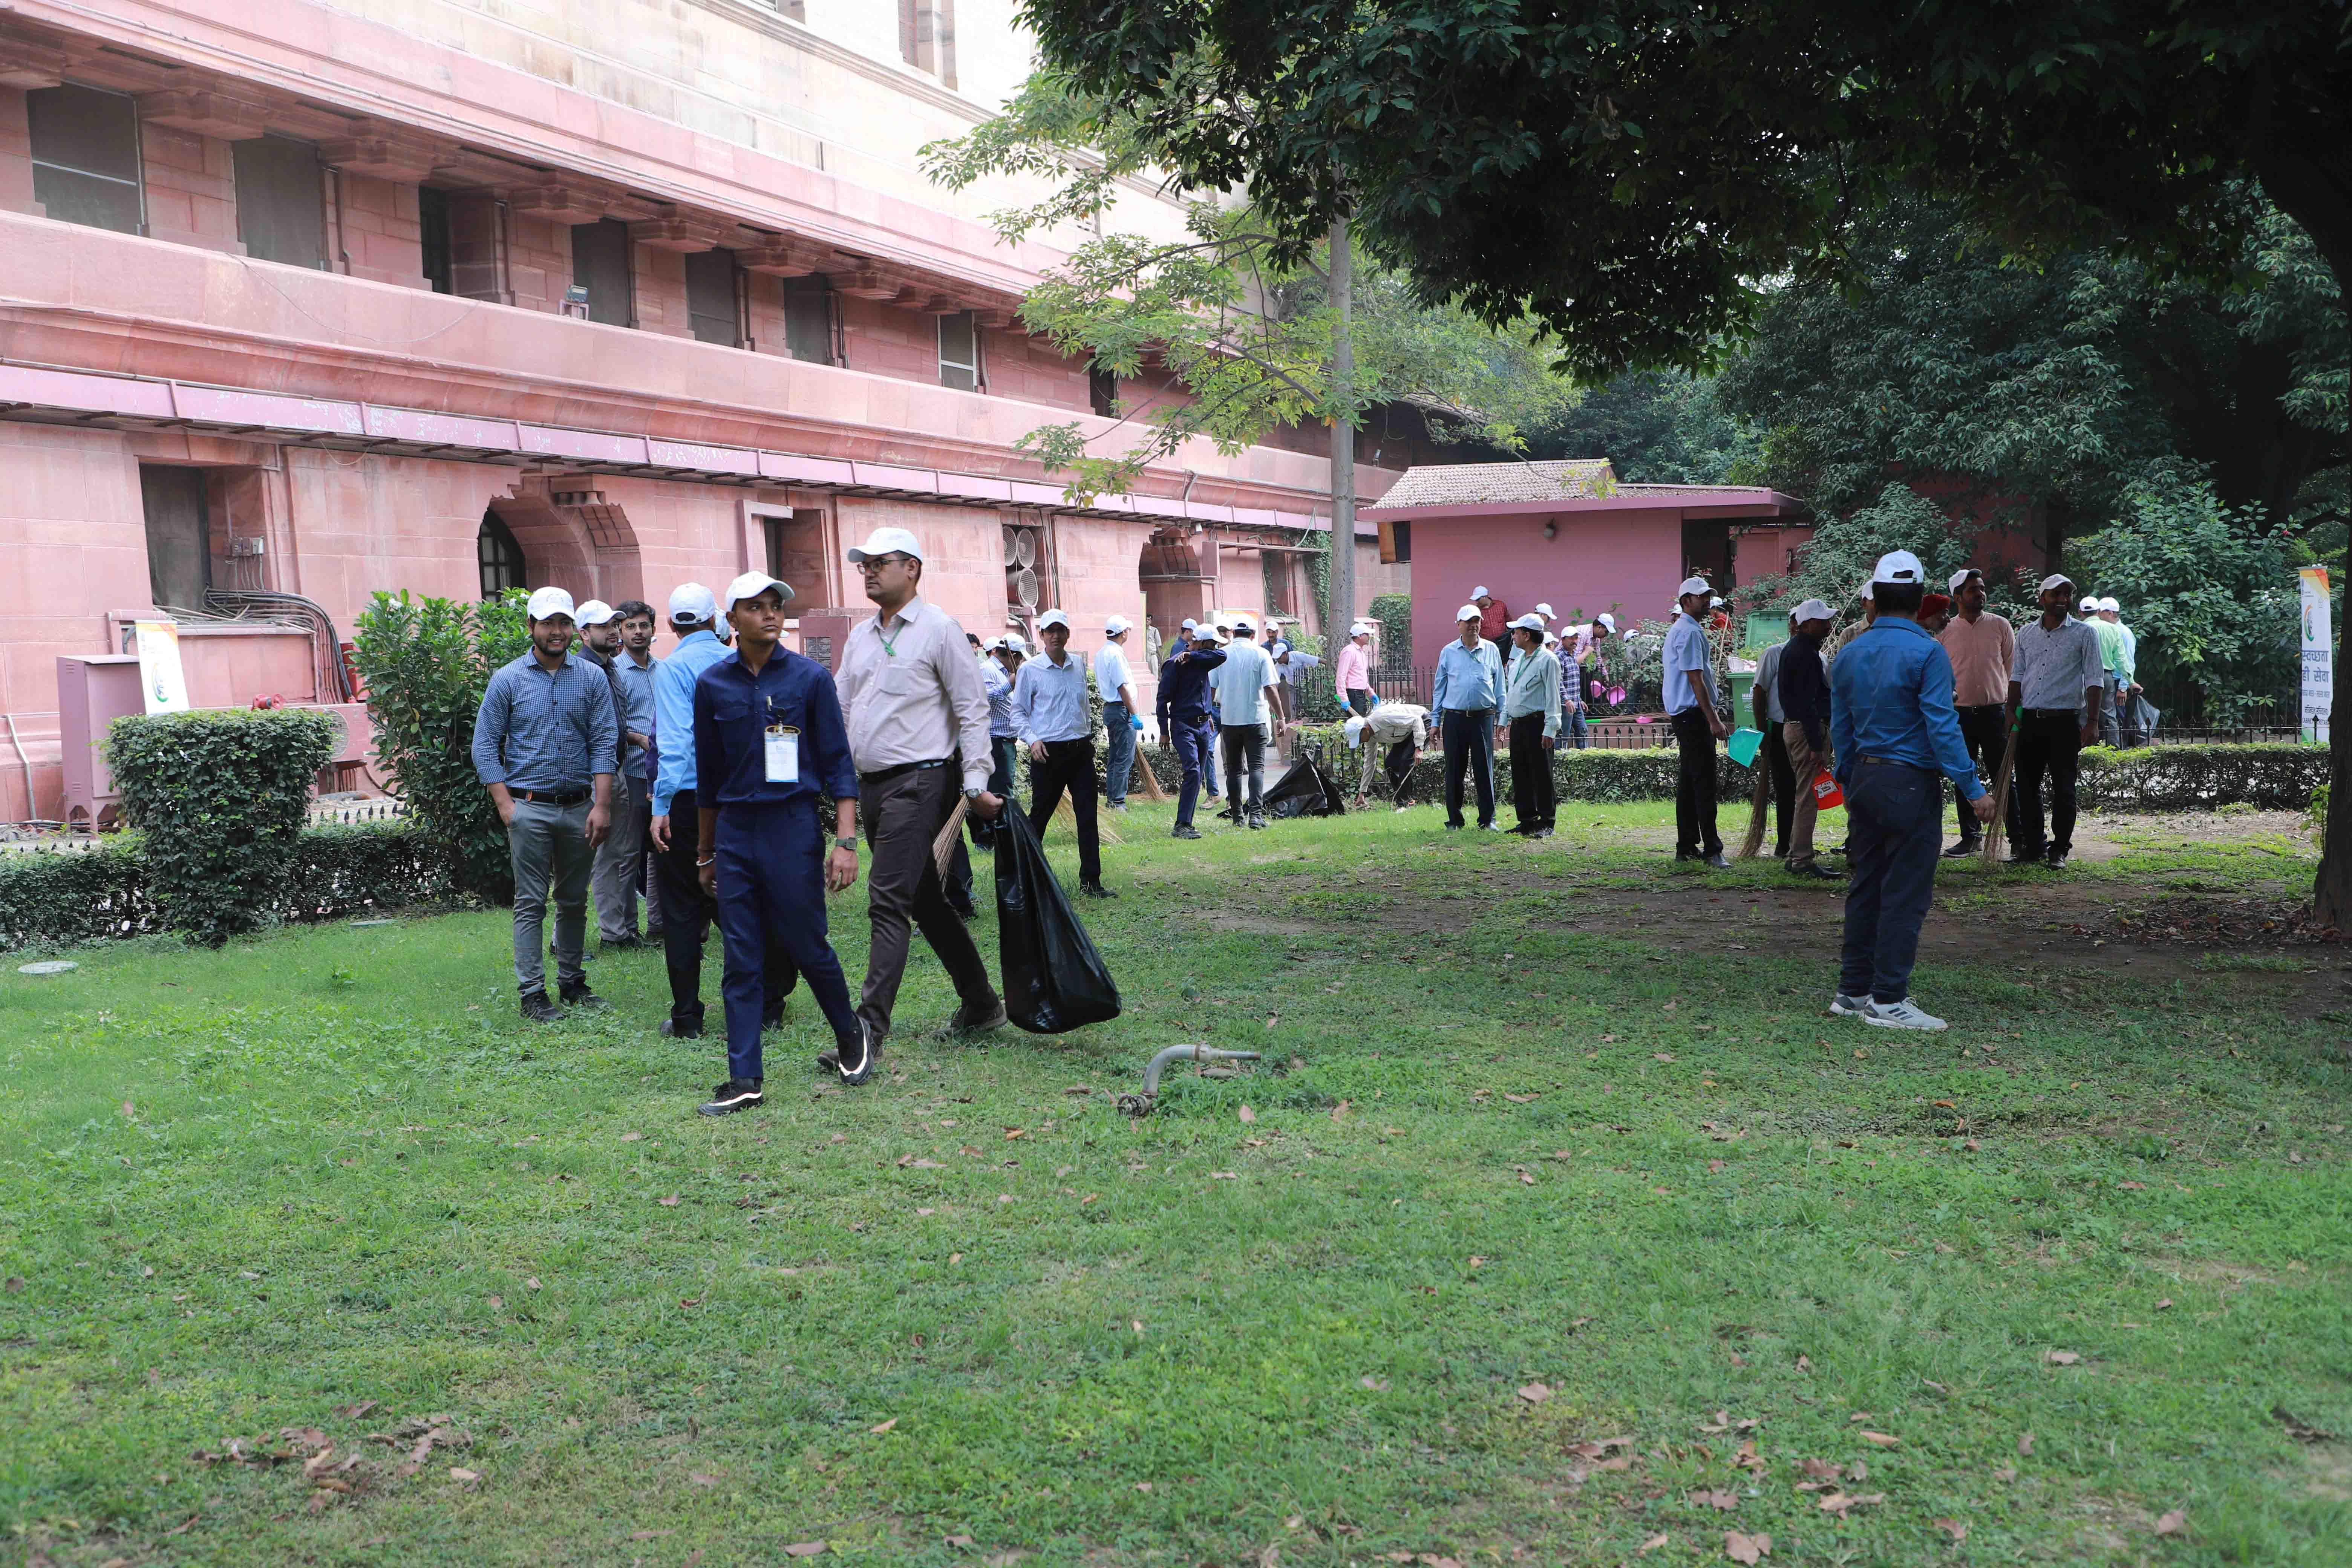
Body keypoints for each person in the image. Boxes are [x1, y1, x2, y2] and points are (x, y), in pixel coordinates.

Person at [690, 573, 869, 1110]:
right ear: (731, 619)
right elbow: (708, 779)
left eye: (776, 605)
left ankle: (850, 1033)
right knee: (741, 957)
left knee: (806, 943)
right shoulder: (712, 685)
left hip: (792, 826)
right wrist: (706, 852)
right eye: (756, 606)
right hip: (736, 831)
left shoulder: (810, 679)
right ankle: (746, 1079)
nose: (770, 614)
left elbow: (838, 764)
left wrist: (846, 841)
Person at [835, 526, 1008, 1055]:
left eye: (880, 562)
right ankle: (982, 1003)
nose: (869, 571)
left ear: (911, 568)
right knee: (924, 900)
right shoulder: (861, 637)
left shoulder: (939, 629)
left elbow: (972, 708)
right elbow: (841, 708)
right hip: (872, 785)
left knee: (888, 899)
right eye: (864, 564)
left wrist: (975, 782)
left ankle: (866, 1033)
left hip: (921, 781)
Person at [1825, 550, 1996, 1032]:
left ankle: (1853, 991)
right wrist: (1974, 789)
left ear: (1876, 598)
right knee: (1905, 893)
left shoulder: (1849, 653)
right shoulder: (1928, 652)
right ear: (1921, 600)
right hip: (1910, 782)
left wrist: (1848, 778)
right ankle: (1888, 999)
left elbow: (1841, 728)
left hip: (1864, 777)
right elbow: (1942, 727)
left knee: (1866, 886)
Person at [649, 585, 799, 1041]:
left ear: (671, 625)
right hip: (742, 799)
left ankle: (687, 1016)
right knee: (749, 900)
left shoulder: (671, 669)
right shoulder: (737, 663)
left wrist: (660, 804)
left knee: (681, 910)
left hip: (689, 800)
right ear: (720, 620)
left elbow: (676, 744)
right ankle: (769, 1002)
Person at [470, 586, 616, 1021]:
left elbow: (604, 740)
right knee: (530, 901)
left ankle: (572, 982)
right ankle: (532, 992)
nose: (557, 631)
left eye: (564, 623)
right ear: (531, 626)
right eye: (548, 622)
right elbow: (484, 745)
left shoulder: (591, 678)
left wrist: (602, 804)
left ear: (574, 628)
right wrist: (505, 805)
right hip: (528, 807)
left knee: (574, 899)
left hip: (580, 806)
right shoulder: (509, 679)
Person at [2009, 574, 2106, 868]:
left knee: (2064, 789)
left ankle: (2060, 849)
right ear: (2042, 599)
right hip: (2030, 721)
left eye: (2068, 594)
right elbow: (2017, 675)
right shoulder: (2026, 633)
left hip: (2064, 722)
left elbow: (2095, 679)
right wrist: (2011, 711)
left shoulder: (2084, 634)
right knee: (2027, 788)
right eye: (2056, 594)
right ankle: (2034, 847)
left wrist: (2092, 721)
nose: (2063, 599)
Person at [574, 600, 657, 948]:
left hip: (616, 770)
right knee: (594, 858)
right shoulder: (582, 670)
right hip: (594, 776)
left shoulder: (607, 667)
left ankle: (619, 932)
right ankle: (594, 936)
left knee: (619, 855)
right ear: (584, 634)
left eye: (613, 625)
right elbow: (590, 730)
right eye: (603, 626)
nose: (613, 631)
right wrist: (638, 739)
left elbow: (613, 726)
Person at [1017, 609, 1114, 896]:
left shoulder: (1078, 665)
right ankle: (1024, 881)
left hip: (1081, 751)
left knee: (1088, 817)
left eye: (1061, 630)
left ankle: (1092, 882)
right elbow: (1018, 713)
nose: (1056, 636)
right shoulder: (1030, 670)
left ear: (1068, 634)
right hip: (1048, 754)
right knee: (1039, 817)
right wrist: (1032, 740)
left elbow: (1083, 706)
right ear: (1042, 635)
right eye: (1050, 631)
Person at [1938, 568, 2015, 858]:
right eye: (1973, 590)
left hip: (1995, 713)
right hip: (1958, 714)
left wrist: (2013, 708)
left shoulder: (2000, 625)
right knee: (1963, 776)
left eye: (1982, 588)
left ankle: (2017, 837)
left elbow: (2014, 670)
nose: (1981, 594)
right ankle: (1970, 837)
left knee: (2004, 776)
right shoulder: (1945, 631)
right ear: (1958, 597)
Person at [1664, 577, 1730, 867]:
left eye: (1707, 596)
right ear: (1685, 601)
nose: (1706, 601)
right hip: (1693, 715)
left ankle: (1687, 845)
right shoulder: (1689, 632)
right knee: (1703, 782)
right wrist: (1713, 719)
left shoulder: (1682, 629)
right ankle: (1712, 849)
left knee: (1690, 782)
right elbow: (1695, 679)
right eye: (1700, 597)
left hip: (1685, 715)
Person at [612, 599, 664, 940]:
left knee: (662, 849)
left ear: (653, 630)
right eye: (630, 626)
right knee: (629, 852)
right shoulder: (613, 673)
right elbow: (610, 724)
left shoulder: (665, 670)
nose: (638, 632)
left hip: (664, 773)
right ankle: (626, 928)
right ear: (620, 631)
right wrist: (638, 739)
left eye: (644, 625)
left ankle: (659, 924)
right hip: (632, 771)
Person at [1776, 599, 1838, 880]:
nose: (1828, 626)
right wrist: (1816, 744)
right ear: (1807, 624)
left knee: (1804, 794)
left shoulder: (1797, 650)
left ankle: (1796, 854)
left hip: (1796, 727)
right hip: (1805, 730)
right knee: (1807, 797)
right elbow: (1808, 703)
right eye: (1823, 622)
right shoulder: (1805, 654)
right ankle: (1802, 858)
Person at [1432, 604, 1504, 831]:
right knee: (1454, 769)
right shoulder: (1448, 652)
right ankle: (1455, 820)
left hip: (1483, 718)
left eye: (1477, 621)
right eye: (1468, 622)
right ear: (1459, 625)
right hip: (1455, 718)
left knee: (1484, 769)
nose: (1473, 625)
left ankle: (1488, 820)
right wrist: (1435, 721)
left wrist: (1503, 718)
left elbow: (1500, 686)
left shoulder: (1491, 649)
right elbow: (1439, 688)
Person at [1156, 620, 1226, 839]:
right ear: (1203, 643)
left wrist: (1193, 656)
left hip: (1204, 725)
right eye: (1213, 644)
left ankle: (1188, 823)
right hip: (1183, 725)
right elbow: (1162, 700)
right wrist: (1164, 731)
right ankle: (1182, 824)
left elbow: (1222, 656)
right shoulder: (1174, 665)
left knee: (1198, 774)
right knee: (1193, 771)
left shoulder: (1202, 660)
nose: (1215, 648)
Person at [1210, 615, 1280, 828]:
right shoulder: (1261, 654)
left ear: (1233, 633)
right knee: (1257, 767)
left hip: (1230, 720)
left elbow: (1211, 688)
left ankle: (1237, 817)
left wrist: (1207, 713)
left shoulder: (1222, 655)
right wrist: (1282, 717)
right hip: (1255, 718)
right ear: (1253, 634)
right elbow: (1270, 688)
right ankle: (1256, 816)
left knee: (1234, 770)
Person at [1499, 614, 1560, 836]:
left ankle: (1547, 822)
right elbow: (1512, 693)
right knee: (1521, 773)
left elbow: (1553, 696)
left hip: (1537, 723)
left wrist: (1550, 728)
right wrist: (1504, 719)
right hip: (1519, 724)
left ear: (1527, 635)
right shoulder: (1519, 661)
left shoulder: (1548, 660)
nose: (1513, 636)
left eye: (1516, 632)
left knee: (1542, 773)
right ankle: (1527, 820)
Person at [1751, 612, 1797, 860]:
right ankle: (1784, 844)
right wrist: (1763, 732)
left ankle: (1800, 843)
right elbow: (1759, 692)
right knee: (1785, 788)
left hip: (1808, 729)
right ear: (1791, 625)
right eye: (1795, 622)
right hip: (1779, 728)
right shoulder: (1774, 654)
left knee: (1804, 790)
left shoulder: (1820, 658)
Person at [1095, 615, 1143, 809]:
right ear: (1123, 633)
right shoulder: (1115, 655)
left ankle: (1112, 799)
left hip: (1112, 709)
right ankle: (1118, 801)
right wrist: (1134, 713)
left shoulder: (1102, 653)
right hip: (1121, 710)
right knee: (1123, 758)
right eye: (1127, 630)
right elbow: (1122, 687)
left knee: (1115, 758)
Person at [1347, 700, 1429, 808]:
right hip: (1406, 732)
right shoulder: (1370, 738)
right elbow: (1369, 764)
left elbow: (1416, 720)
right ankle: (1408, 801)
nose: (1360, 742)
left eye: (1359, 739)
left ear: (1365, 730)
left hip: (1422, 721)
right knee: (1391, 764)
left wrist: (1419, 747)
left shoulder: (1383, 718)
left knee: (1406, 761)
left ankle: (1404, 804)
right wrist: (1362, 793)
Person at [2099, 597, 2146, 745]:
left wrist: (2123, 688)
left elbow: (2128, 662)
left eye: (2100, 612)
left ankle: (2121, 748)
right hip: (2114, 680)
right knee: (2111, 718)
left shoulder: (2124, 633)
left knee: (2119, 719)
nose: (2098, 615)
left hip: (2119, 682)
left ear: (2109, 613)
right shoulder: (2110, 630)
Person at [2084, 593, 2126, 747]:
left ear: (2080, 612)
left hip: (2085, 676)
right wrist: (2129, 681)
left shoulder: (2080, 628)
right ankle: (2113, 749)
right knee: (2109, 713)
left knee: (2083, 712)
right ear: (2098, 611)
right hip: (2107, 675)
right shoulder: (2113, 629)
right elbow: (2122, 659)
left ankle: (2084, 749)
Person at [1334, 621, 1377, 715]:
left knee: (1361, 721)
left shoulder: (1360, 652)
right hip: (1353, 694)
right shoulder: (1349, 651)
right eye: (1367, 634)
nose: (1369, 637)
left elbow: (1360, 676)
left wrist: (1371, 693)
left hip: (1360, 694)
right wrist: (1344, 698)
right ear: (1360, 636)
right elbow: (1341, 676)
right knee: (1358, 723)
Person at [1472, 585, 1511, 649]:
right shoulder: (1476, 611)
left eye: (1478, 599)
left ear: (1485, 597)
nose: (1476, 602)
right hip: (1486, 645)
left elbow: (1509, 621)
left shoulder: (1500, 605)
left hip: (1504, 643)